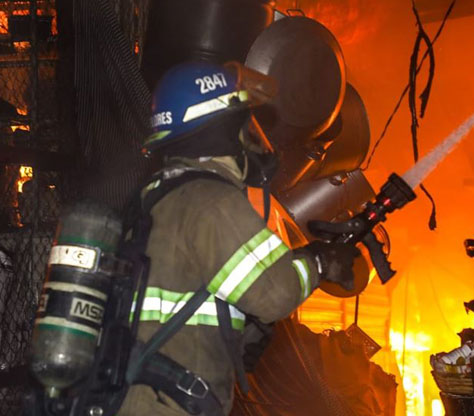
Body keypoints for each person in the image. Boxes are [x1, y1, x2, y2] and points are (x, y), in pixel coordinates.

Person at [116, 60, 360, 415]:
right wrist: (321, 261)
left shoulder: (158, 194)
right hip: (167, 404)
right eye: (246, 125)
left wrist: (239, 332)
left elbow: (181, 293)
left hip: (146, 394)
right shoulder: (211, 200)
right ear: (221, 129)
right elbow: (275, 293)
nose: (255, 138)